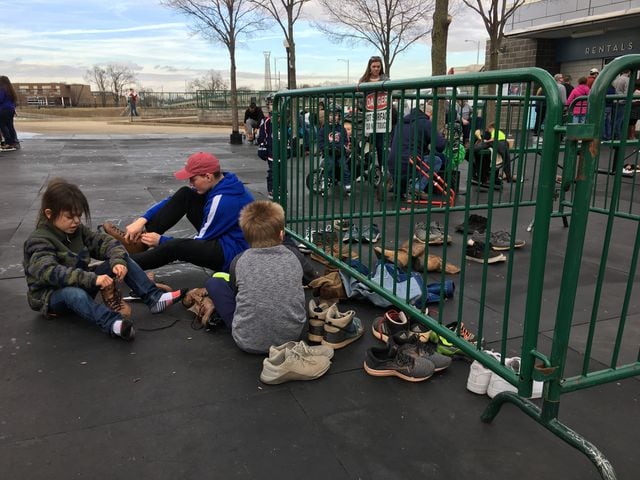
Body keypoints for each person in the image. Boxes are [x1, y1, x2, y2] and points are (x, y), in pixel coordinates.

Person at [23, 178, 184, 341]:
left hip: (82, 283)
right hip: (52, 297)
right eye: (70, 217)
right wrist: (94, 279)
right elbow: (49, 272)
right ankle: (114, 324)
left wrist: (118, 263)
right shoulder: (39, 241)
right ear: (49, 214)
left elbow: (108, 243)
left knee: (123, 259)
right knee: (75, 294)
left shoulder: (77, 230)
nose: (77, 221)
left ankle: (154, 298)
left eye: (79, 215)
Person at [107, 152, 254, 273]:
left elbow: (198, 243)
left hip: (232, 256)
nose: (190, 182)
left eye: (193, 179)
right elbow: (173, 200)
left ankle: (115, 267)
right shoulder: (223, 181)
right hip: (225, 237)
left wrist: (160, 241)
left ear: (208, 176)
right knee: (185, 195)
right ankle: (140, 243)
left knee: (175, 247)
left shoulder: (222, 202)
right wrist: (142, 220)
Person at [204, 200, 306, 354]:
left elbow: (236, 292)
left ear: (246, 237)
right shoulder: (294, 256)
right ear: (281, 234)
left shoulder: (239, 260)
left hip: (247, 340)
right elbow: (311, 278)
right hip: (291, 338)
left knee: (214, 282)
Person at [388, 102, 447, 199]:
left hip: (392, 163)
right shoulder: (425, 123)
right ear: (430, 114)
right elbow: (440, 146)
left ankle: (398, 188)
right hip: (410, 163)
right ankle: (417, 187)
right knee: (437, 160)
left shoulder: (401, 122)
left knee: (407, 158)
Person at [357, 56, 390, 172]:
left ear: (381, 67)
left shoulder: (386, 80)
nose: (376, 68)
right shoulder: (363, 81)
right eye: (374, 66)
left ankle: (382, 169)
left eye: (378, 66)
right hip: (367, 117)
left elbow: (389, 97)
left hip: (381, 118)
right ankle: (361, 169)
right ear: (369, 67)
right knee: (363, 144)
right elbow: (360, 99)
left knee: (380, 145)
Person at [318, 104, 351, 192]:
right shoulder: (324, 129)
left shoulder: (341, 129)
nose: (333, 117)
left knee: (344, 166)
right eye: (331, 115)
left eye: (335, 115)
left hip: (340, 153)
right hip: (329, 153)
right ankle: (326, 182)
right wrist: (324, 148)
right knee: (329, 166)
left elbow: (345, 140)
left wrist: (342, 147)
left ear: (339, 116)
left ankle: (347, 184)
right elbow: (321, 141)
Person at [257, 95, 274, 199]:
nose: (274, 106)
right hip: (271, 149)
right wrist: (263, 145)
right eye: (271, 104)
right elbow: (262, 135)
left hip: (281, 149)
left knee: (282, 170)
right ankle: (271, 189)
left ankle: (281, 187)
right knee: (272, 170)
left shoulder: (284, 120)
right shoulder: (267, 120)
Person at [0, 75, 20, 151]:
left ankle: (8, 143)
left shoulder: (2, 89)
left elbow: (0, 99)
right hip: (10, 110)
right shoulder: (11, 90)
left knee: (3, 126)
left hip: (3, 109)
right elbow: (14, 102)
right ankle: (14, 142)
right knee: (10, 126)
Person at [613, 70, 631, 140]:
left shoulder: (617, 79)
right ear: (628, 72)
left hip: (615, 100)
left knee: (615, 120)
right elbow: (627, 92)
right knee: (620, 120)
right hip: (623, 101)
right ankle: (619, 137)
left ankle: (615, 136)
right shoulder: (627, 80)